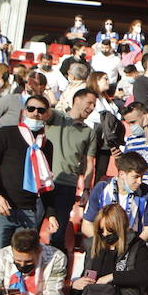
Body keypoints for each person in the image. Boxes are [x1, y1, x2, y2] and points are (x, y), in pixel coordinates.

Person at [0, 93, 54, 259]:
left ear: (46, 115)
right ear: (24, 111)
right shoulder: (6, 133)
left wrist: (51, 213)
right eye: (31, 108)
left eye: (41, 110)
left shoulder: (46, 145)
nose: (35, 113)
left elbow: (45, 182)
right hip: (0, 209)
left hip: (28, 211)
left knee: (22, 264)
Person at [63, 205, 148, 295]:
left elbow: (145, 276)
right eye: (101, 230)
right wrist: (76, 285)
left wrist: (113, 277)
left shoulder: (136, 246)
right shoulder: (94, 248)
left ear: (120, 228)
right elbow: (84, 283)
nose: (105, 234)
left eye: (110, 230)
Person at [42, 87, 97, 252]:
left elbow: (89, 163)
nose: (92, 107)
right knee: (32, 228)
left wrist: (87, 188)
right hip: (43, 183)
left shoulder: (90, 132)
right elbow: (44, 112)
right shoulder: (57, 117)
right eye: (90, 103)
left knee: (58, 234)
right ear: (77, 100)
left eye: (94, 105)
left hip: (67, 186)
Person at [81, 150, 148, 243]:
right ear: (122, 174)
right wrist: (104, 245)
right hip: (103, 244)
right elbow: (86, 226)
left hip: (132, 245)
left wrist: (133, 247)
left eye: (142, 177)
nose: (140, 182)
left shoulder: (145, 192)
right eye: (136, 177)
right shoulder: (102, 188)